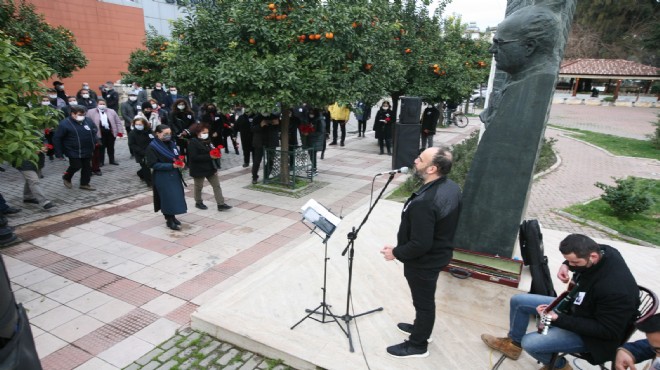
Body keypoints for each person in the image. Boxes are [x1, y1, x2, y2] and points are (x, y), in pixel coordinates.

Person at [481, 234, 639, 370]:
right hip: (578, 308)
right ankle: (513, 345)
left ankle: (559, 366)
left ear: (593, 257)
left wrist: (558, 319)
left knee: (530, 343)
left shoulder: (615, 290)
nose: (572, 267)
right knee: (519, 301)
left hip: (593, 336)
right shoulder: (606, 251)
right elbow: (592, 250)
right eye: (569, 262)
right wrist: (565, 266)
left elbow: (607, 330)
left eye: (575, 263)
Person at [380, 146, 462, 358]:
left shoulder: (425, 203)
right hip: (437, 255)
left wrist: (396, 252)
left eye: (421, 159)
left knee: (423, 303)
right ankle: (420, 329)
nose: (416, 160)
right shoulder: (450, 186)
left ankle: (418, 345)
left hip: (424, 261)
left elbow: (420, 244)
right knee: (424, 301)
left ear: (432, 168)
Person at [145, 124, 187, 230]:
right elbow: (152, 164)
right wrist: (171, 165)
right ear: (158, 134)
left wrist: (180, 161)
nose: (168, 136)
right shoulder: (152, 147)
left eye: (170, 133)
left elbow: (176, 155)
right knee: (167, 198)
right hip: (162, 176)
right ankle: (169, 220)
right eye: (165, 134)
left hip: (174, 175)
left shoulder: (171, 143)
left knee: (175, 197)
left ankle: (173, 217)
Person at [187, 123, 232, 211]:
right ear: (198, 132)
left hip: (210, 167)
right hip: (198, 168)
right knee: (198, 186)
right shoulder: (193, 142)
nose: (206, 134)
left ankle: (221, 204)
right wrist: (210, 156)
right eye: (204, 132)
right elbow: (194, 157)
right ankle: (198, 202)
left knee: (216, 186)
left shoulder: (208, 141)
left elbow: (213, 150)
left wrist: (215, 161)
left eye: (207, 132)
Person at [53, 105, 98, 190]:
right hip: (72, 150)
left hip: (87, 149)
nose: (82, 117)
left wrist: (96, 140)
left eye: (84, 114)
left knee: (87, 167)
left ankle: (84, 184)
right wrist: (58, 152)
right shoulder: (64, 124)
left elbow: (94, 130)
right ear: (72, 114)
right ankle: (67, 177)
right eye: (80, 114)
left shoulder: (88, 120)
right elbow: (57, 138)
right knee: (76, 166)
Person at [86, 98, 124, 168]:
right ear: (97, 104)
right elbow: (88, 122)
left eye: (103, 104)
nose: (102, 105)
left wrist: (120, 131)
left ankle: (112, 160)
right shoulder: (91, 112)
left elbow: (118, 122)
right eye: (100, 104)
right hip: (99, 133)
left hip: (110, 132)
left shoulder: (111, 111)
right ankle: (101, 162)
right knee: (101, 148)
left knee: (111, 147)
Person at [127, 116, 154, 187]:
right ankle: (150, 183)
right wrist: (142, 151)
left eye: (140, 124)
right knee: (146, 168)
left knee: (149, 165)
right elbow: (131, 144)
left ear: (144, 124)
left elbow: (154, 139)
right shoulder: (132, 133)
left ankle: (140, 173)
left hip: (150, 151)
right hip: (140, 153)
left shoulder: (149, 131)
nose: (138, 126)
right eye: (137, 124)